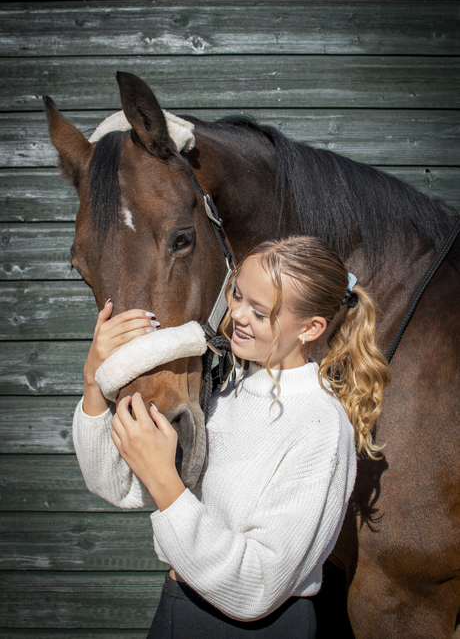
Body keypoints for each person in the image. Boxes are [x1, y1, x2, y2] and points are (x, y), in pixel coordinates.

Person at [73, 234, 390, 638]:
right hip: (178, 608)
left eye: (260, 313)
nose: (238, 315)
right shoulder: (224, 390)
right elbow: (114, 485)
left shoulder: (320, 424)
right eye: (237, 295)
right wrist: (93, 381)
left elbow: (259, 587)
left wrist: (165, 481)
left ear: (311, 328)